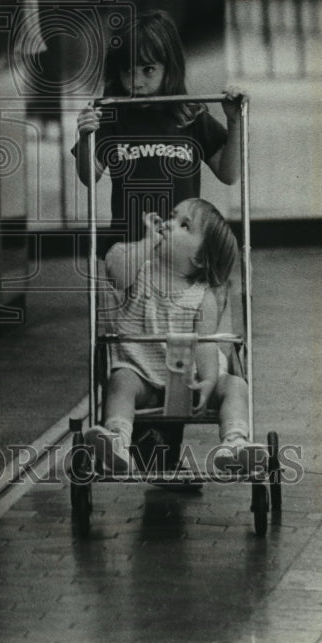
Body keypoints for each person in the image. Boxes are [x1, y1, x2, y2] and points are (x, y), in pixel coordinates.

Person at [84, 199, 268, 477]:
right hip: (142, 375)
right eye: (172, 217)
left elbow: (206, 343)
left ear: (199, 258)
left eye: (185, 225)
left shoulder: (203, 296)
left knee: (235, 385)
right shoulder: (140, 271)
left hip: (190, 381)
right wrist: (148, 241)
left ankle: (234, 442)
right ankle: (117, 439)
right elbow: (117, 275)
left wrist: (208, 380)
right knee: (120, 380)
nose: (169, 224)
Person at [73, 9, 243, 249]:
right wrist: (84, 139)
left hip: (181, 250)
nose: (136, 82)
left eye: (148, 69)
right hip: (129, 247)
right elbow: (89, 177)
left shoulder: (190, 115)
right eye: (127, 71)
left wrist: (234, 122)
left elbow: (229, 175)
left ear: (169, 68)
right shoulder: (112, 117)